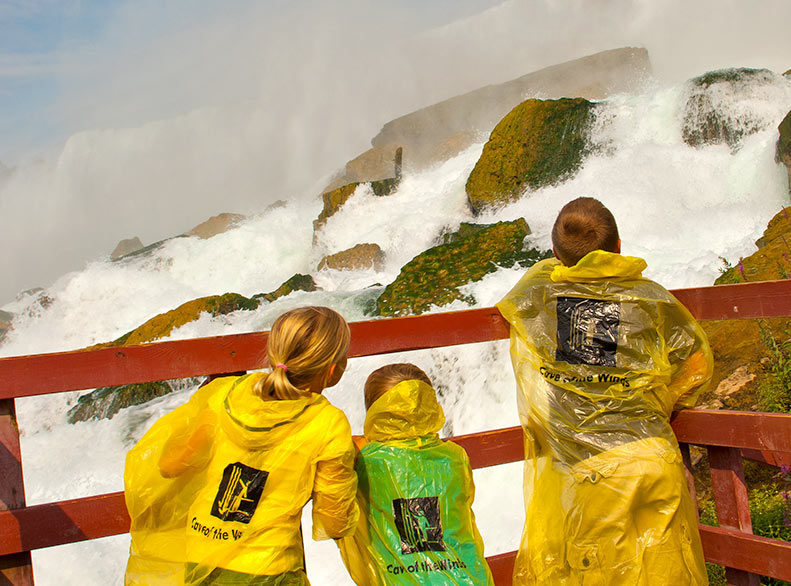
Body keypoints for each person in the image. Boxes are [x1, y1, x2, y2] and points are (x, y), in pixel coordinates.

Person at [496, 197, 713, 585]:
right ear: (618, 247)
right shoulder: (652, 298)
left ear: (555, 254)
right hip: (653, 457)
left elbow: (533, 283)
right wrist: (655, 403)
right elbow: (696, 363)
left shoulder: (541, 297)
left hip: (592, 474)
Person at [124, 306, 358, 586]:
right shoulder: (328, 422)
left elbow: (170, 466)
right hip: (269, 568)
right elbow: (334, 522)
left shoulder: (229, 394)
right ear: (334, 370)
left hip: (201, 555)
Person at [337, 363, 495, 586]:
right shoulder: (455, 457)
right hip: (472, 580)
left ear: (374, 411)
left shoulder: (363, 459)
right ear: (430, 406)